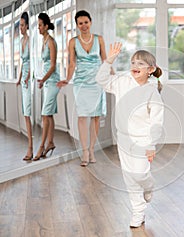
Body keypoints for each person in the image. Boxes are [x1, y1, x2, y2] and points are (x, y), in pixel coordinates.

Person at [96, 42, 164, 228]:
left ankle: (149, 186)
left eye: (141, 64)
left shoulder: (152, 92)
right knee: (129, 177)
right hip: (123, 138)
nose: (135, 66)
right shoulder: (122, 82)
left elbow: (156, 121)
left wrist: (152, 145)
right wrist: (109, 60)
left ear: (151, 69)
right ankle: (138, 213)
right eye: (133, 62)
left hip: (143, 140)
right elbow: (101, 80)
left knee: (140, 174)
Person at [57, 10, 107, 167]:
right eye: (80, 23)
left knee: (96, 117)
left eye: (86, 22)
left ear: (90, 22)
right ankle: (84, 151)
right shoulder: (73, 42)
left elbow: (105, 60)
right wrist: (67, 79)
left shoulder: (99, 39)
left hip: (97, 82)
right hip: (81, 83)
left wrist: (111, 75)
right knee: (82, 116)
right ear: (77, 25)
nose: (83, 25)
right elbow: (72, 64)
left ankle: (92, 149)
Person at [33, 13, 60, 161]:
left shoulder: (51, 42)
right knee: (48, 114)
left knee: (44, 115)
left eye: (40, 25)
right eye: (38, 25)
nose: (38, 27)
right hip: (47, 82)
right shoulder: (43, 41)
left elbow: (53, 65)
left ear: (46, 26)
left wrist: (42, 80)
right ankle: (50, 142)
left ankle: (42, 147)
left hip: (53, 82)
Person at [16, 12, 33, 161]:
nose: (20, 28)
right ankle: (30, 146)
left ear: (27, 26)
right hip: (24, 82)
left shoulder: (30, 41)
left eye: (22, 25)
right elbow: (23, 62)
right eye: (19, 25)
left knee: (28, 113)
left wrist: (28, 77)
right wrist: (20, 78)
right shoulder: (21, 41)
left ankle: (31, 148)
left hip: (30, 81)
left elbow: (33, 61)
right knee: (25, 113)